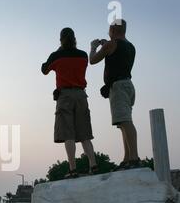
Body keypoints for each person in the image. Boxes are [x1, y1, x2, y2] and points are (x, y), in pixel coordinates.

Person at [42, 27, 98, 178]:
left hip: (65, 96)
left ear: (61, 39)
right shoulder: (83, 55)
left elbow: (44, 69)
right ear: (75, 39)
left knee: (68, 134)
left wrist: (59, 50)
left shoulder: (56, 55)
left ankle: (73, 169)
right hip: (81, 95)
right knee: (85, 134)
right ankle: (93, 165)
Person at [89, 19, 140, 170]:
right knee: (123, 123)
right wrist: (107, 45)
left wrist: (93, 47)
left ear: (112, 29)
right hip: (128, 85)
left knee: (126, 122)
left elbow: (92, 60)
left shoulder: (111, 44)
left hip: (118, 87)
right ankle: (127, 158)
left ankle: (134, 158)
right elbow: (117, 59)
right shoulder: (131, 46)